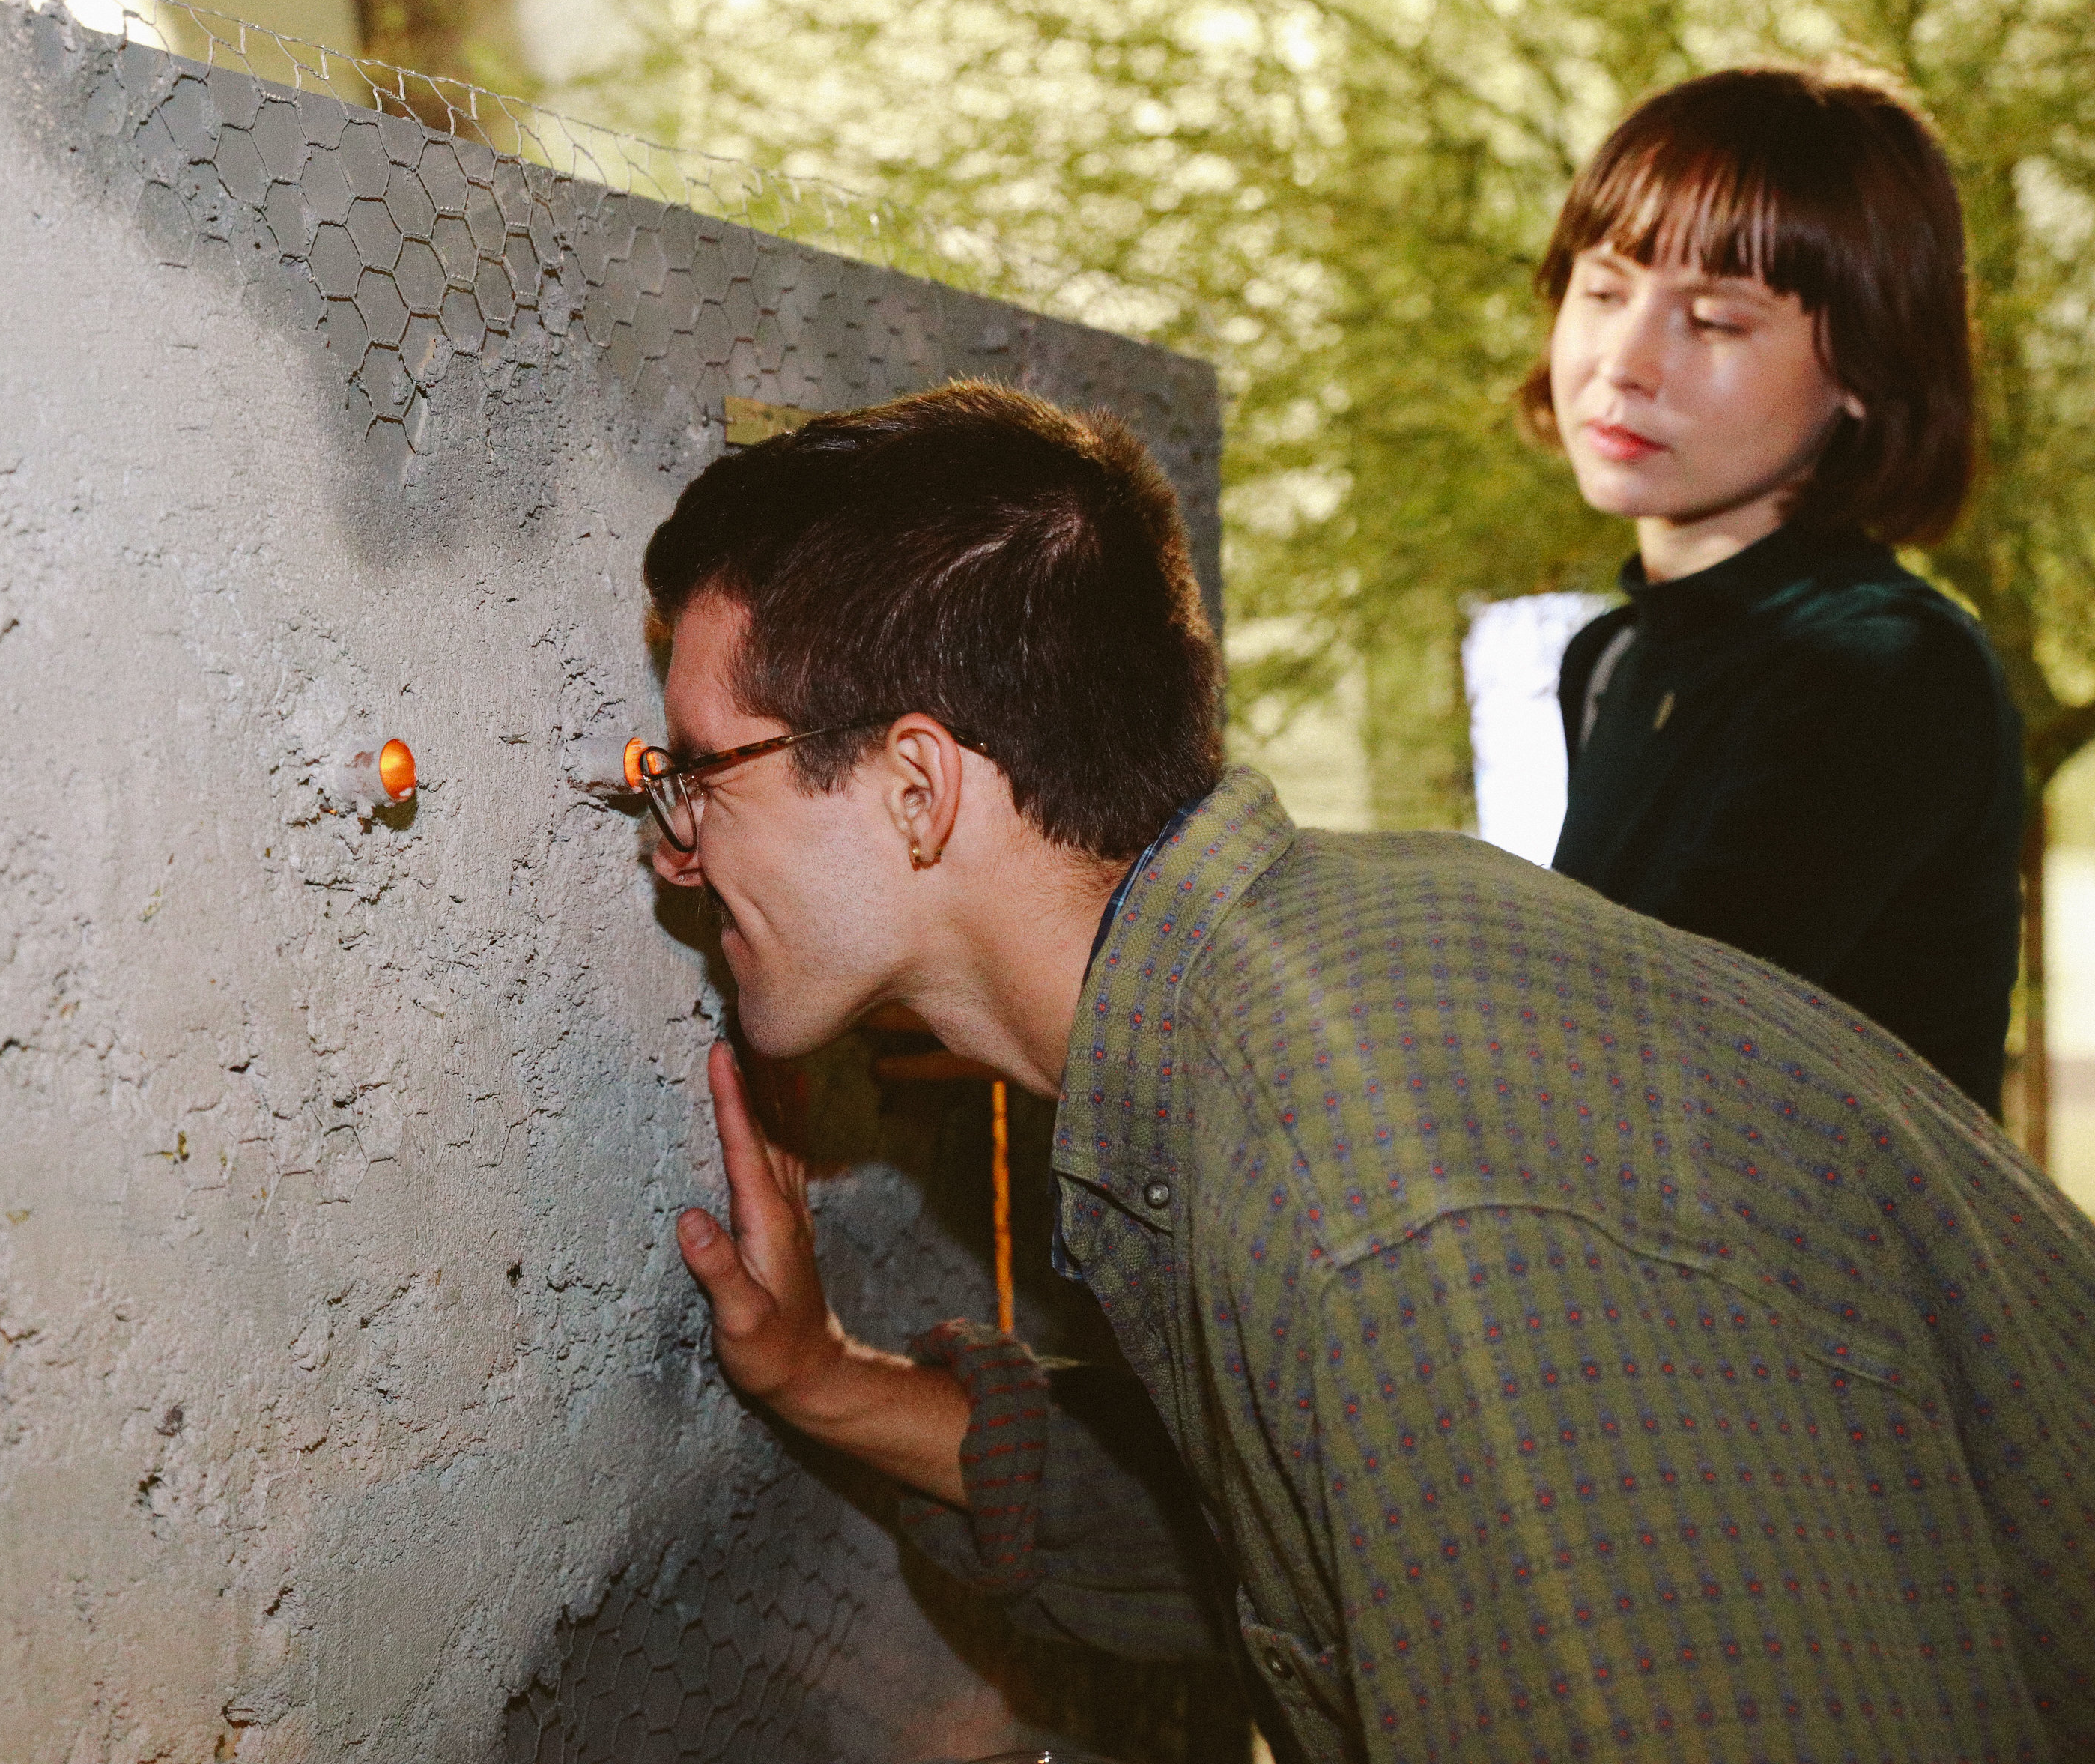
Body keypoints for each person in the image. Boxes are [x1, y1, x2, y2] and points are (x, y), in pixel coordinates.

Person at [634, 378, 2095, 1763]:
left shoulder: (1377, 1195)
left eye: (702, 772)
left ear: (916, 788)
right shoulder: (1300, 996)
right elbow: (1335, 1544)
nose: (675, 848)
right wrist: (830, 1381)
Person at [1533, 67, 2023, 1115]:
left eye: (1714, 320)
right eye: (1604, 290)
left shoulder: (1884, 671)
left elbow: (1635, 1066)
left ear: (1866, 365)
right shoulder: (1609, 660)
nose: (1623, 362)